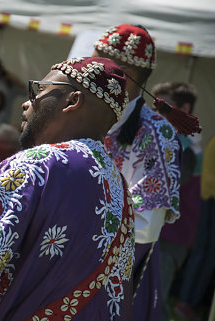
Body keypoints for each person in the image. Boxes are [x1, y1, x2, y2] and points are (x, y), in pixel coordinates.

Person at [0, 56, 135, 321]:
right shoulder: (119, 188)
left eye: (40, 90)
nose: (27, 102)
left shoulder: (34, 165)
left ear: (72, 101)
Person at [93, 24, 181, 320]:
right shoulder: (83, 112)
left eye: (95, 67)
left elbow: (145, 225)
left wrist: (76, 218)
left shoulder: (157, 133)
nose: (84, 73)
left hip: (113, 276)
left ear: (121, 77)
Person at [150, 82, 202, 321]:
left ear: (185, 108)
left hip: (170, 236)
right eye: (154, 106)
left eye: (163, 107)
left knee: (154, 300)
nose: (155, 114)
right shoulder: (173, 140)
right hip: (158, 232)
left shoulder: (184, 147)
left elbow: (162, 187)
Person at [173, 135, 215, 321]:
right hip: (211, 200)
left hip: (207, 198)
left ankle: (186, 301)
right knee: (207, 255)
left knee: (203, 253)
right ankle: (187, 303)